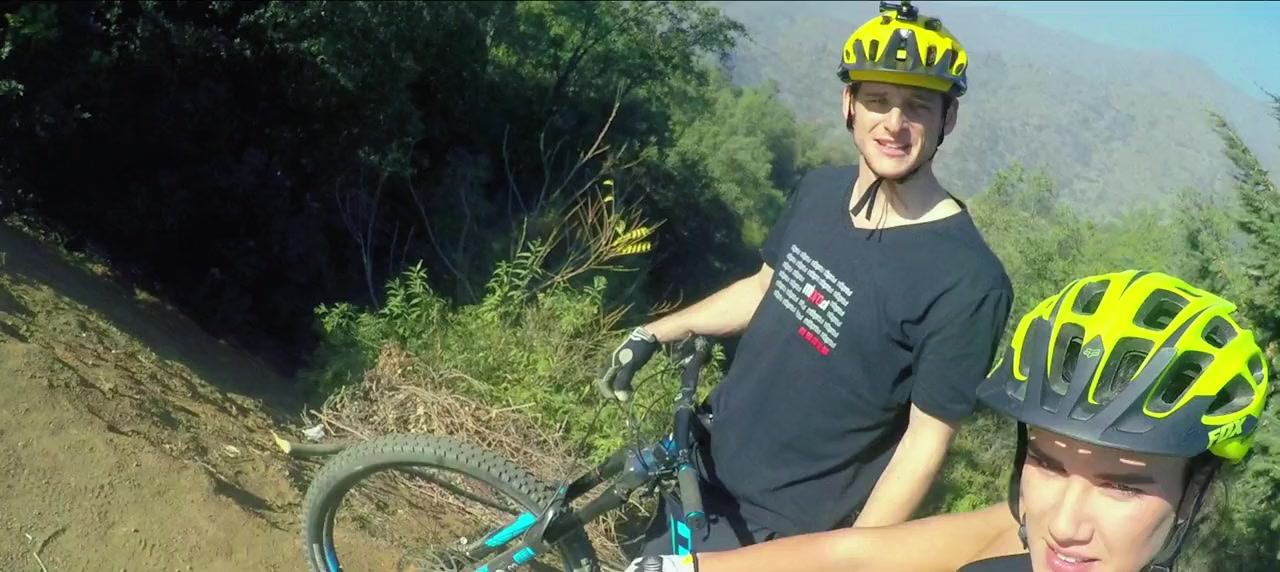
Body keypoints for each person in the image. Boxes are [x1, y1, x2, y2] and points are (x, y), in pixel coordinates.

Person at [597, 0, 1013, 557]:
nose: (894, 123)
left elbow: (925, 443)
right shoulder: (820, 189)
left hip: (777, 531)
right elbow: (764, 288)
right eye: (878, 100)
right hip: (701, 461)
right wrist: (654, 331)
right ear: (849, 105)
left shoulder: (968, 280)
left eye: (917, 106)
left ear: (948, 118)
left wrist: (844, 561)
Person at [623, 269, 1272, 572]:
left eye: (1123, 485)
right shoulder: (1017, 532)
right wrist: (680, 571)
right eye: (1047, 463)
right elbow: (856, 558)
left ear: (1194, 492)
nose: (1066, 524)